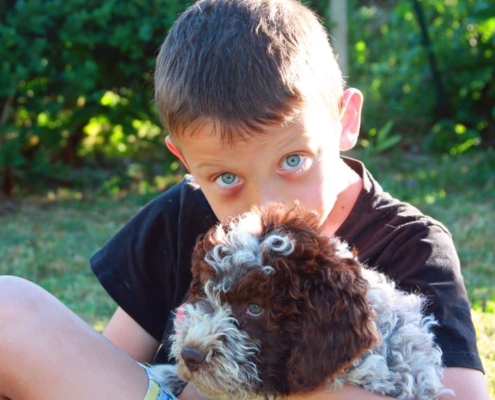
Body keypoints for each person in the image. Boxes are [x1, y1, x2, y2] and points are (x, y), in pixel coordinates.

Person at [0, 0, 489, 399]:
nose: (264, 202)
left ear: (345, 120)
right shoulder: (181, 215)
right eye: (227, 176)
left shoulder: (410, 244)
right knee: (8, 305)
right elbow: (109, 366)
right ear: (185, 160)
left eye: (292, 161)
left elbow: (453, 394)